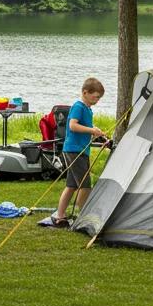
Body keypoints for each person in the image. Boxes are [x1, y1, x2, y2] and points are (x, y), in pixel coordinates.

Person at [44, 77, 106, 228]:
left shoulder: (87, 109)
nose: (97, 100)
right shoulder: (78, 106)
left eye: (99, 97)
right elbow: (72, 126)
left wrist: (99, 135)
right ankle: (84, 217)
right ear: (85, 92)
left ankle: (60, 215)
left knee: (71, 185)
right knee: (85, 186)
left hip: (77, 150)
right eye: (96, 96)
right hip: (75, 151)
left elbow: (85, 127)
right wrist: (92, 130)